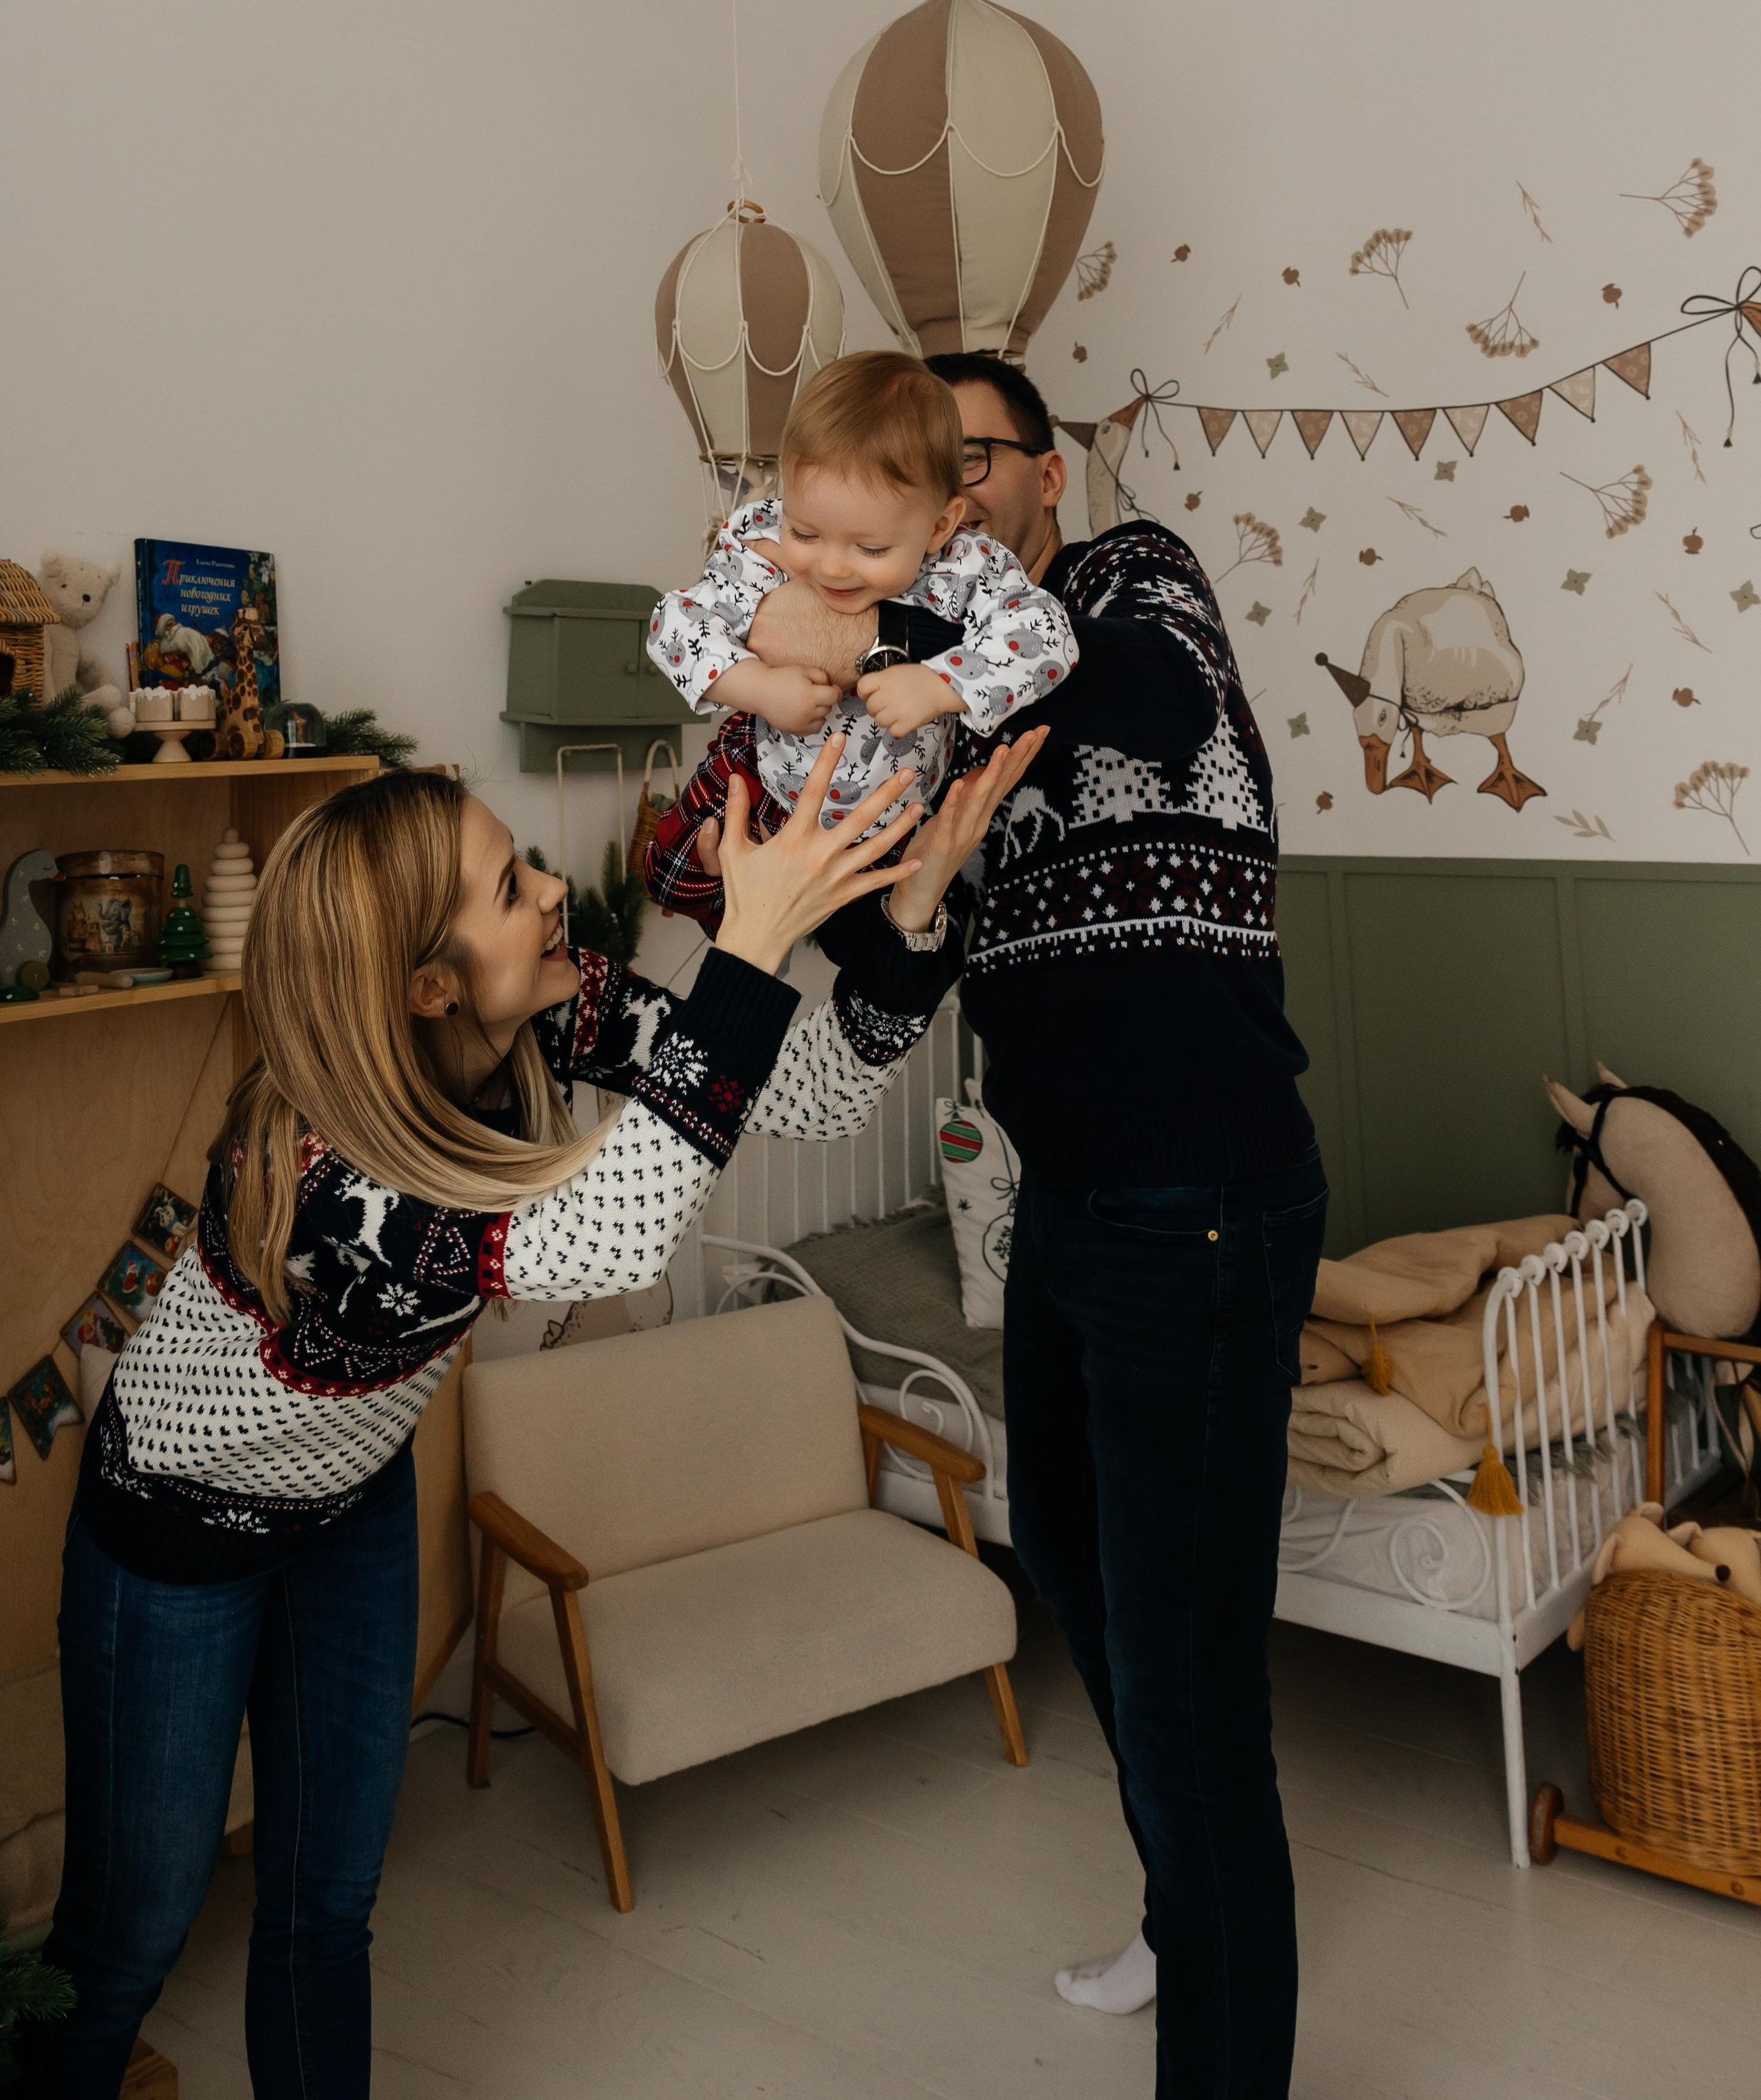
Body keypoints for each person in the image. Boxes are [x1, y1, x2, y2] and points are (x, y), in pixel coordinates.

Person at [28, 728, 1042, 2100]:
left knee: (327, 1901)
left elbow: (789, 1091)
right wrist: (744, 942)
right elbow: (607, 1239)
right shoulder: (332, 1181)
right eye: (513, 887)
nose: (555, 888)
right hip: (178, 1536)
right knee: (127, 1936)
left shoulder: (545, 1010)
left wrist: (909, 915)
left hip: (351, 1506)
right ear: (430, 982)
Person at [746, 351, 1326, 2100]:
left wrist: (921, 671)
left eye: (969, 458)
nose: (948, 489)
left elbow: (1147, 700)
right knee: (1075, 1580)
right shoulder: (922, 709)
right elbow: (890, 975)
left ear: (1037, 474)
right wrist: (864, 851)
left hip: (1203, 1204)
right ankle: (1184, 1900)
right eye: (920, 472)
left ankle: (1215, 1993)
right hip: (1066, 1214)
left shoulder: (1120, 585)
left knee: (1188, 1689)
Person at [643, 347, 1074, 924]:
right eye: (806, 532)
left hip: (895, 821)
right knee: (673, 874)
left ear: (940, 524)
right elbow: (674, 623)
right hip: (764, 778)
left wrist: (940, 683)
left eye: (870, 549)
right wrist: (759, 688)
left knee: (883, 942)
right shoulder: (762, 538)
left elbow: (1049, 636)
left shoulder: (965, 566)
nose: (832, 568)